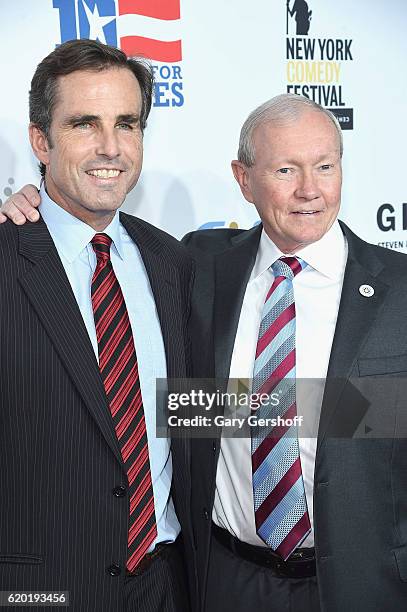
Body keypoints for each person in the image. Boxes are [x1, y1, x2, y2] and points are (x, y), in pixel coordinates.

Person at [4, 95, 407, 611]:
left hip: (363, 585)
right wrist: (24, 215)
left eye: (325, 166)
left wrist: (312, 408)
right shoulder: (200, 265)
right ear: (243, 179)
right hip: (223, 580)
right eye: (286, 169)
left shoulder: (397, 289)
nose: (310, 190)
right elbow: (189, 409)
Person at [0, 39, 196, 612]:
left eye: (127, 124)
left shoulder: (172, 262)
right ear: (42, 140)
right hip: (39, 592)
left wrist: (365, 412)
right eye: (85, 124)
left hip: (168, 585)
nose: (111, 147)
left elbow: (189, 408)